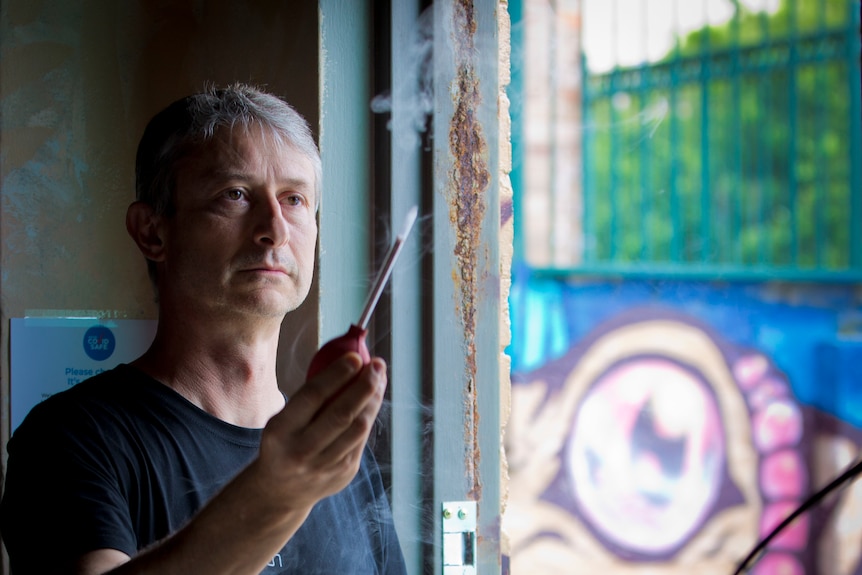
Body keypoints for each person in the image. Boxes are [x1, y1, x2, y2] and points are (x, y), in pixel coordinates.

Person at [0, 84, 408, 575]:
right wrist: (279, 494)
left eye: (295, 199)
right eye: (234, 195)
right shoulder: (72, 439)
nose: (275, 230)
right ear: (152, 231)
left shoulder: (335, 454)